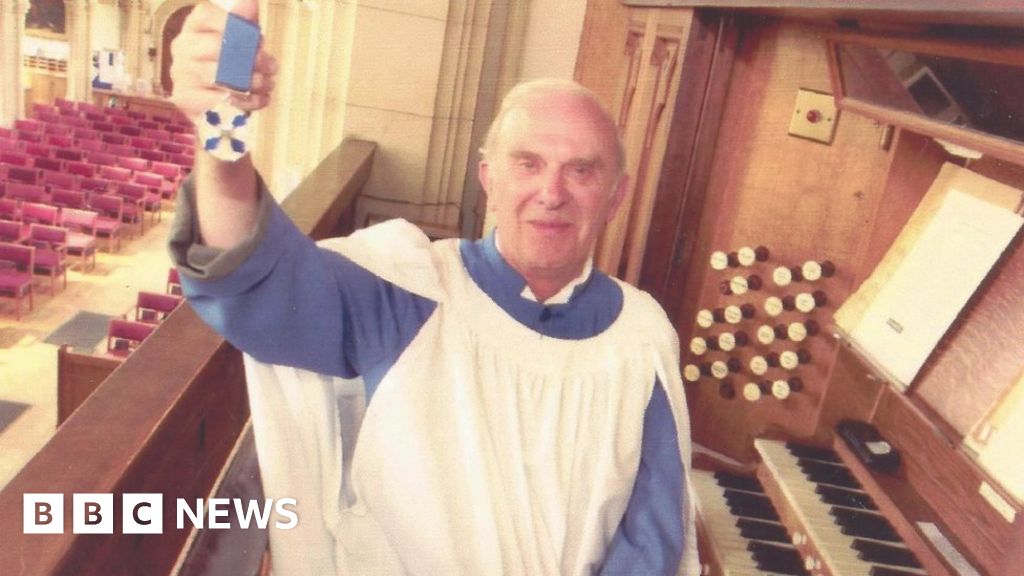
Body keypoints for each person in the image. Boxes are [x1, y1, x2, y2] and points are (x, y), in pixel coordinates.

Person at [168, 2, 697, 574]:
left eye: (582, 171)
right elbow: (258, 289)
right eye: (527, 163)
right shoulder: (405, 289)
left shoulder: (640, 336)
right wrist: (221, 137)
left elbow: (653, 538)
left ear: (615, 197)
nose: (552, 192)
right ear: (487, 178)